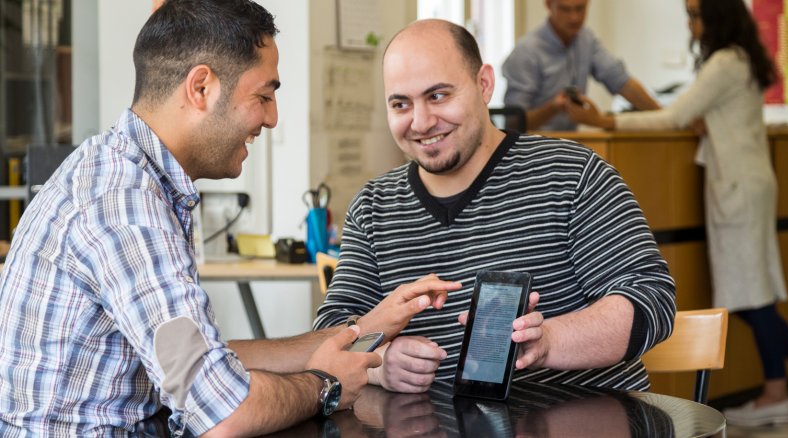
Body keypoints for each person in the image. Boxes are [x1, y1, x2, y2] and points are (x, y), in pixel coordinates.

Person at [0, 1, 460, 436]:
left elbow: (200, 361)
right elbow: (222, 411)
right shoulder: (124, 204)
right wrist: (327, 385)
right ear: (201, 88)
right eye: (264, 95)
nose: (273, 118)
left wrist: (361, 330)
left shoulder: (124, 172)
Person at [313, 19, 676, 395]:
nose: (421, 122)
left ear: (483, 85)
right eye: (401, 104)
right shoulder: (373, 208)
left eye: (438, 96)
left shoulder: (572, 174)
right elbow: (331, 330)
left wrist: (548, 341)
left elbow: (651, 297)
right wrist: (380, 362)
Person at [567, 0, 788, 427]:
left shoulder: (725, 62)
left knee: (749, 296)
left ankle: (782, 386)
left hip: (736, 189)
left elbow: (675, 115)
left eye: (696, 14)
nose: (691, 24)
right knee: (753, 294)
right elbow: (704, 118)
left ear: (717, 15)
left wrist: (606, 121)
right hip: (749, 184)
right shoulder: (741, 59)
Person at [502, 0, 660, 131]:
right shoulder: (526, 51)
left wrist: (664, 117)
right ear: (549, 5)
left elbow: (621, 81)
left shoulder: (586, 39)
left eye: (580, 9)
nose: (574, 18)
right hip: (531, 150)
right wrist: (553, 108)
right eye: (565, 9)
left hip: (570, 144)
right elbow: (514, 123)